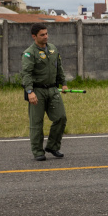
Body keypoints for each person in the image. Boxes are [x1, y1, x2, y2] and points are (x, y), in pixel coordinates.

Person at [21, 24, 69, 161]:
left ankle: (53, 146)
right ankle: (37, 151)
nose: (46, 36)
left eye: (46, 34)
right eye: (42, 35)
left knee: (61, 117)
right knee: (36, 123)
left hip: (53, 89)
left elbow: (59, 67)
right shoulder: (29, 53)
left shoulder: (53, 49)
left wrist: (63, 83)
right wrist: (30, 92)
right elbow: (26, 74)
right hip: (37, 90)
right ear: (34, 36)